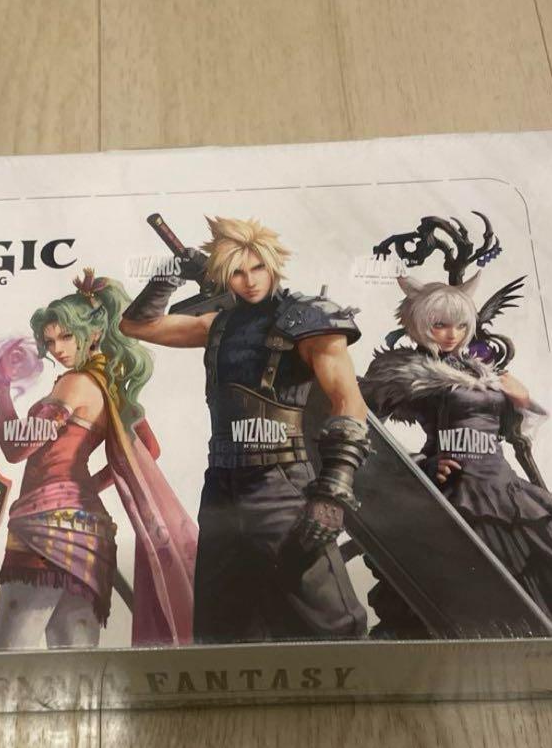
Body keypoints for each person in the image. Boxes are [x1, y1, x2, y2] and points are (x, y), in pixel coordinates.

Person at [120, 215, 369, 643]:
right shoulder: (218, 323)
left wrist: (333, 492)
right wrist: (171, 273)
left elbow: (349, 403)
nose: (250, 281)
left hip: (282, 483)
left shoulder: (309, 318)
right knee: (222, 628)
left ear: (273, 265)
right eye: (237, 272)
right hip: (222, 486)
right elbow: (136, 325)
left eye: (257, 268)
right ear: (223, 275)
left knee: (330, 623)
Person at [360, 274, 552, 638]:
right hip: (456, 491)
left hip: (504, 487)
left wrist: (521, 399)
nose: (451, 334)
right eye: (439, 325)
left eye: (460, 325)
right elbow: (359, 426)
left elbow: (515, 430)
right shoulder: (405, 373)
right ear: (418, 323)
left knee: (546, 571)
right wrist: (420, 467)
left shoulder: (480, 368)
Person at [0, 270, 196, 649]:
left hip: (45, 527)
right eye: (50, 341)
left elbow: (16, 449)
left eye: (67, 336)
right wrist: (86, 486)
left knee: (6, 658)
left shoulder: (74, 383)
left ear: (96, 332)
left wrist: (1, 387)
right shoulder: (112, 386)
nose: (57, 349)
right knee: (76, 662)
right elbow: (149, 447)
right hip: (90, 531)